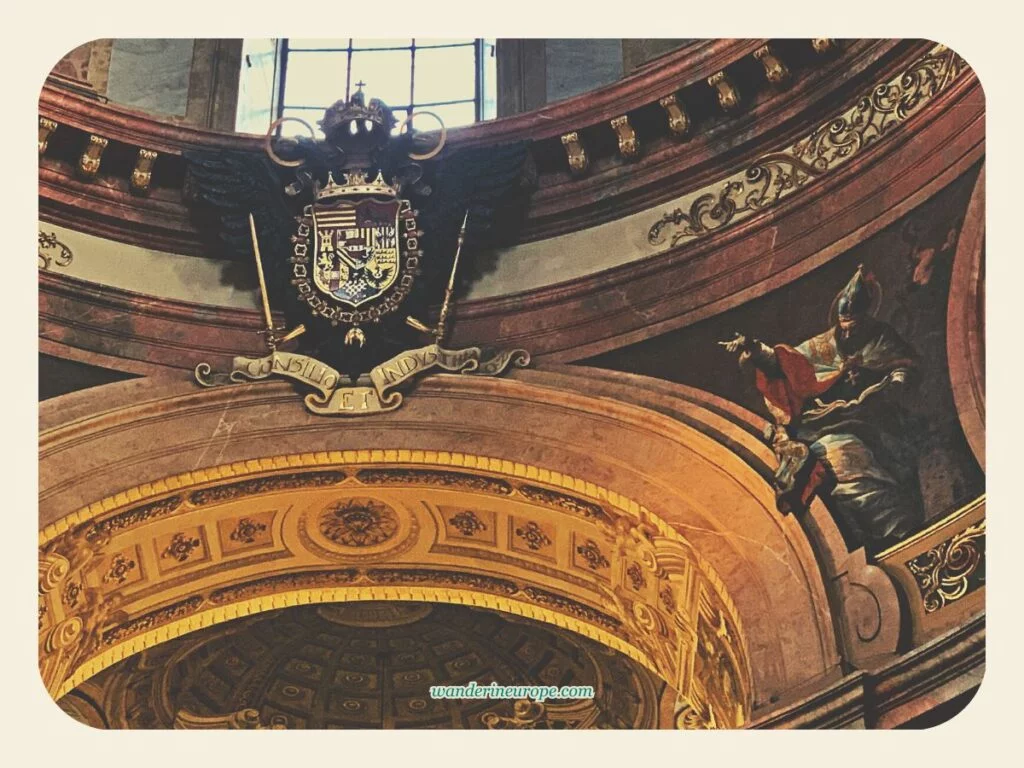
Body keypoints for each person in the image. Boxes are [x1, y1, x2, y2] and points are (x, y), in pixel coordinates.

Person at [719, 265, 924, 553]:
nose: (848, 331)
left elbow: (903, 365)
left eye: (854, 325)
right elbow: (785, 364)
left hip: (876, 416)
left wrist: (894, 380)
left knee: (895, 465)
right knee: (846, 463)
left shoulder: (880, 337)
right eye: (844, 324)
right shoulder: (821, 347)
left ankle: (905, 534)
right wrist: (755, 349)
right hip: (828, 423)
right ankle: (885, 533)